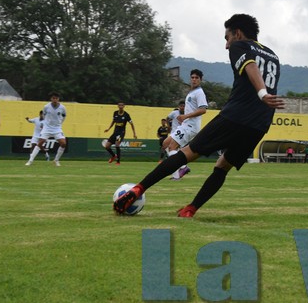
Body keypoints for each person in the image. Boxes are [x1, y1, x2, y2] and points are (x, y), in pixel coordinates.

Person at [113, 13, 285, 218]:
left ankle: (137, 189)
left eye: (227, 38)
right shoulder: (273, 55)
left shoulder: (240, 45)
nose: (226, 45)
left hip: (236, 116)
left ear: (237, 33)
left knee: (187, 153)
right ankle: (191, 209)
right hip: (260, 123)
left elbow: (250, 66)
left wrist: (262, 93)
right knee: (223, 166)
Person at [163, 69, 208, 180]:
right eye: (192, 77)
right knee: (166, 144)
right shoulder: (191, 92)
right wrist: (184, 118)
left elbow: (203, 110)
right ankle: (181, 168)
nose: (194, 80)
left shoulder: (199, 92)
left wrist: (185, 116)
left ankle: (180, 171)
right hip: (186, 125)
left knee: (172, 147)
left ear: (201, 79)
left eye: (196, 78)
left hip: (191, 126)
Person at [26, 92, 67, 166]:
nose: (55, 100)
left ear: (58, 99)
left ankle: (56, 160)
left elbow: (64, 116)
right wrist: (46, 123)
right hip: (47, 128)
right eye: (53, 98)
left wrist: (59, 123)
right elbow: (44, 115)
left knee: (63, 143)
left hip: (57, 128)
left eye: (56, 98)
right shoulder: (46, 107)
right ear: (51, 99)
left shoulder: (62, 107)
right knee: (40, 143)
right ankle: (30, 161)